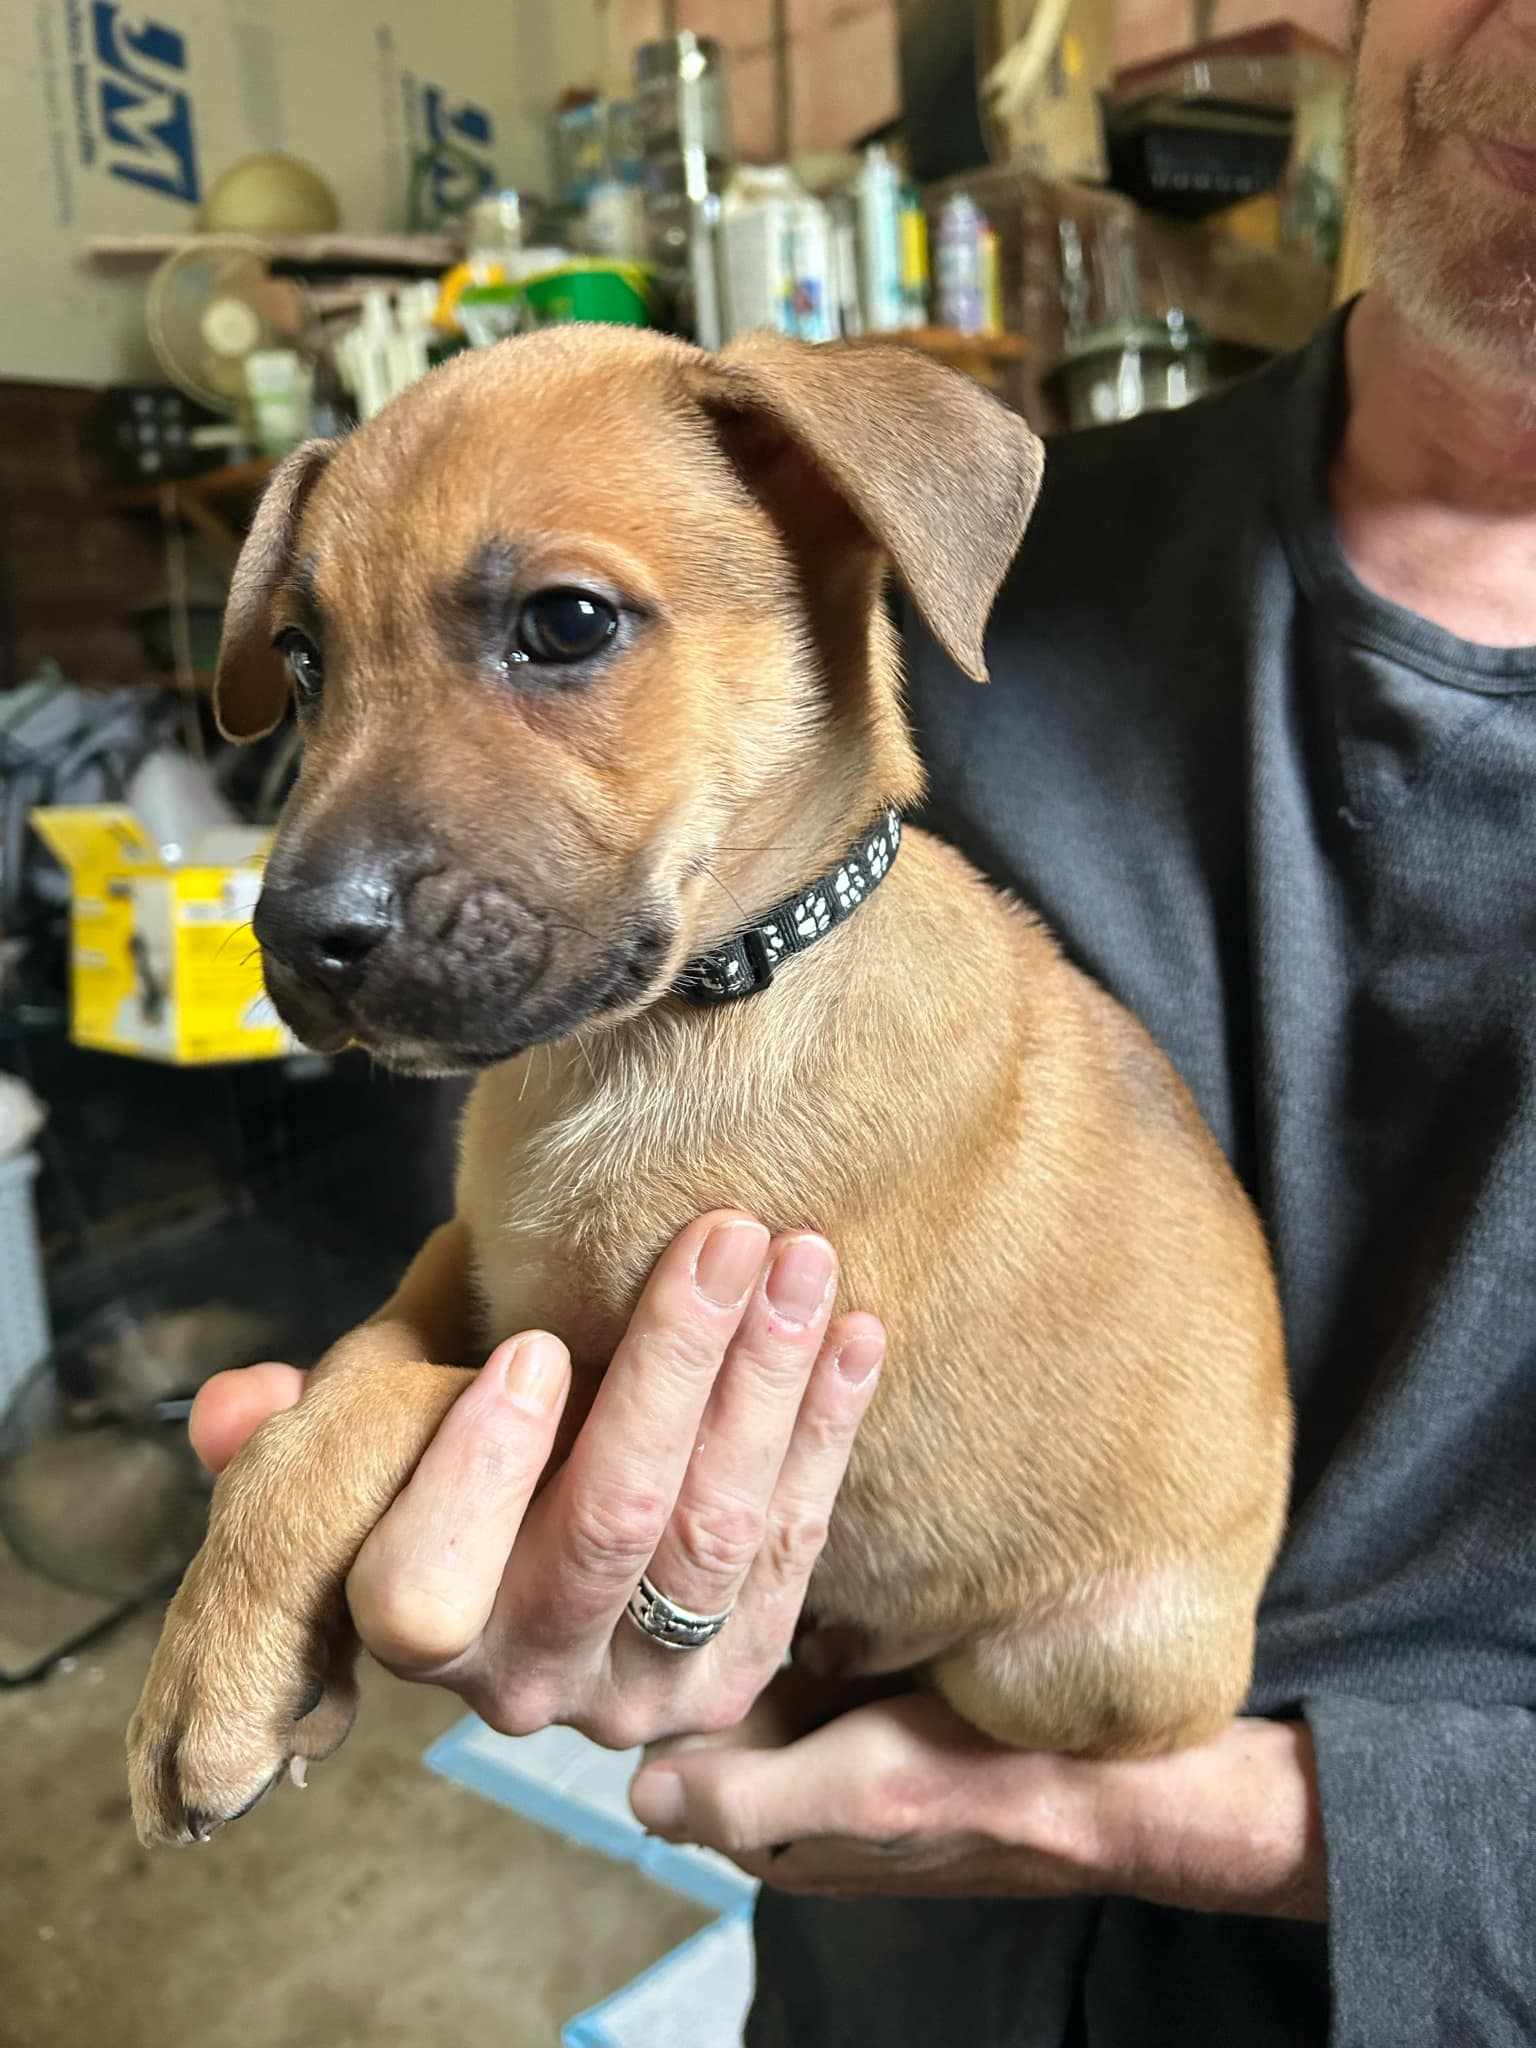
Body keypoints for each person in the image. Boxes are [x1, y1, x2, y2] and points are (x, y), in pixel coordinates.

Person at [192, 0, 1536, 2035]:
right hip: (875, 1971)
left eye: (559, 631)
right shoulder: (933, 540)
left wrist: (1165, 1815)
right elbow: (579, 1282)